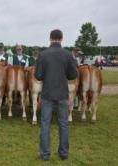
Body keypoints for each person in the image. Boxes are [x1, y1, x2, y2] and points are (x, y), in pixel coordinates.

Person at [35, 29, 77, 161]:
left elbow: (38, 76)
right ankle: (63, 153)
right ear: (61, 38)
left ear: (50, 38)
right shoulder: (68, 54)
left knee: (45, 124)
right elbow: (73, 75)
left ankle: (45, 154)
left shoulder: (43, 54)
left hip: (47, 93)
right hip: (63, 94)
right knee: (63, 124)